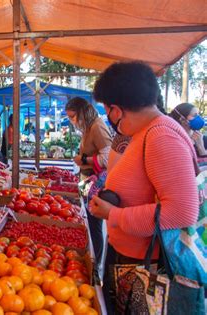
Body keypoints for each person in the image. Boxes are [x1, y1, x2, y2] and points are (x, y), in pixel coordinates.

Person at [90, 61, 199, 314]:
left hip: (146, 269)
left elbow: (182, 212)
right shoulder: (146, 131)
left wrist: (113, 214)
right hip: (134, 260)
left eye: (107, 110)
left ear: (116, 109)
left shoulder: (161, 136)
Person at [65, 96, 112, 266]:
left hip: (95, 182)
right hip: (86, 180)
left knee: (94, 222)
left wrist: (83, 160)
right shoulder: (88, 127)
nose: (71, 120)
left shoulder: (98, 127)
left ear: (82, 113)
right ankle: (92, 257)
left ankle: (96, 260)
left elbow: (107, 158)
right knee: (87, 218)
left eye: (73, 116)